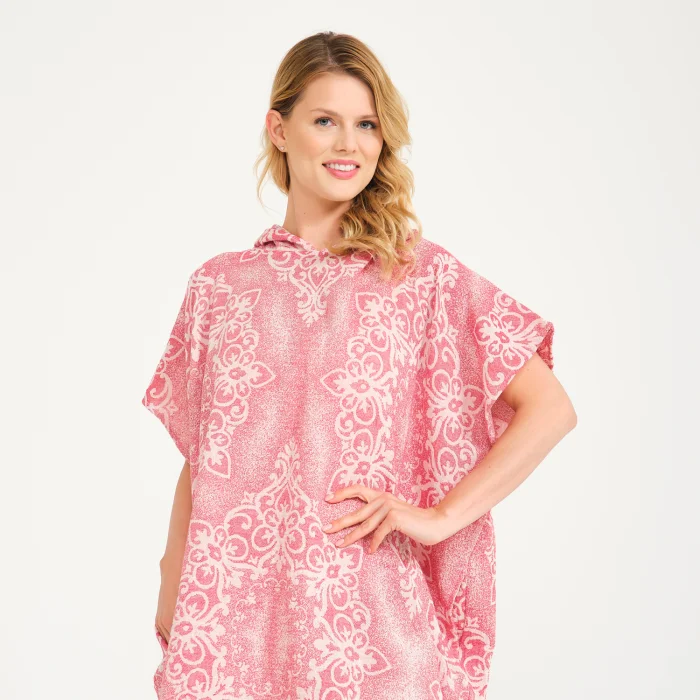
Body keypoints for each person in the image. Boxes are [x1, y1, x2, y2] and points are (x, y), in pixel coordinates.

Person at [141, 30, 577, 700]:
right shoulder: (220, 287)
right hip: (230, 635)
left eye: (367, 125)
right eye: (326, 121)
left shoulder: (421, 278)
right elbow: (204, 456)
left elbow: (550, 409)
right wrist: (173, 590)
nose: (349, 144)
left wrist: (438, 517)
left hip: (371, 638)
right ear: (279, 129)